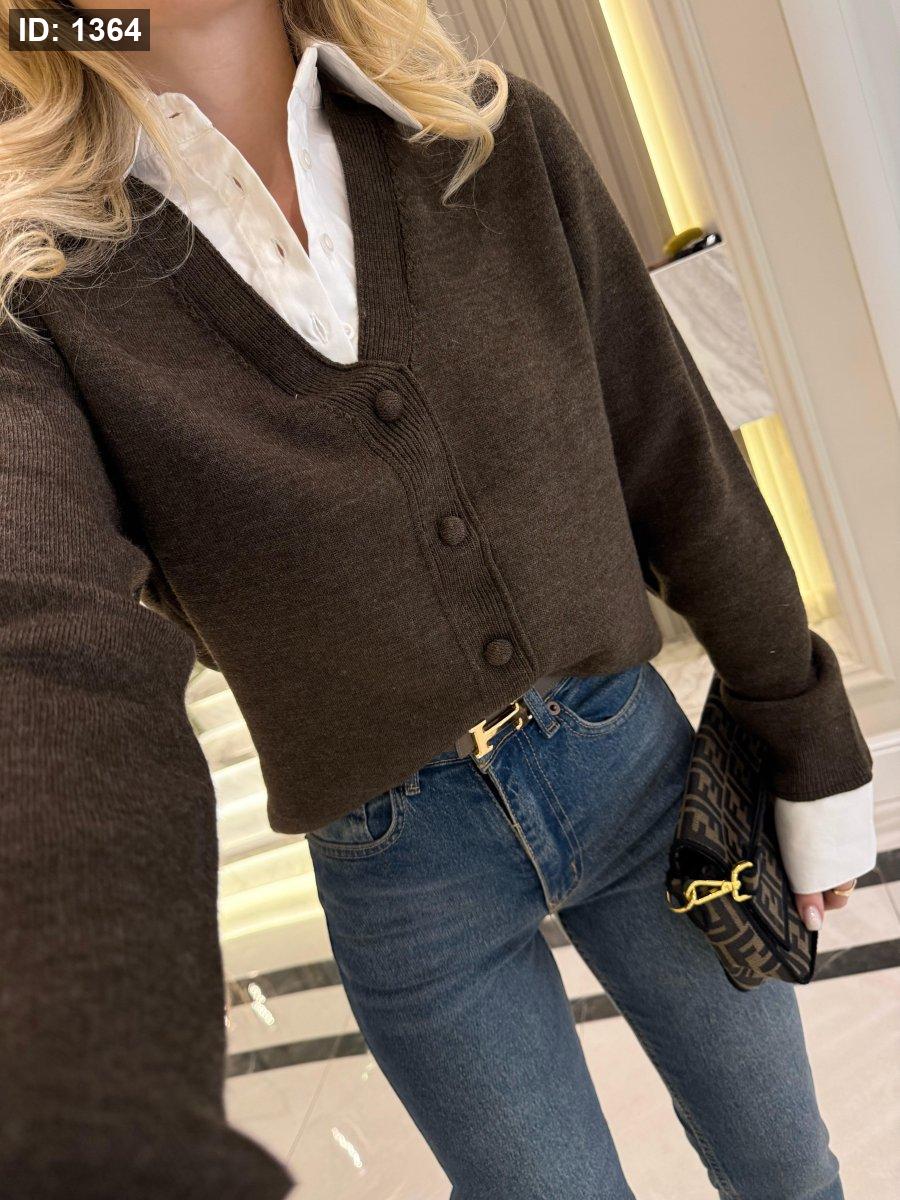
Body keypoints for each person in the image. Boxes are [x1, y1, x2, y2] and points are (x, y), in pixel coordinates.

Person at [0, 2, 877, 1197]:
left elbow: (673, 454)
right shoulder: (40, 279)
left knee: (790, 1174)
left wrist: (804, 730)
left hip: (636, 774)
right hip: (403, 872)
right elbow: (41, 632)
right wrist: (91, 1094)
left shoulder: (487, 138)